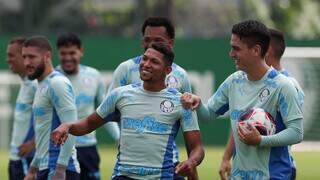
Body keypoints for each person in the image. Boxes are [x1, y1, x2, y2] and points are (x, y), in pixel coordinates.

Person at [51, 42, 204, 180]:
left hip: (161, 176)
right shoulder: (120, 95)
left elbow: (197, 148)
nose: (146, 64)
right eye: (145, 59)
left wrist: (192, 161)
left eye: (154, 61)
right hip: (123, 176)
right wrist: (69, 126)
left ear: (168, 69)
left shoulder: (181, 102)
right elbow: (88, 124)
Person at [181, 20, 303, 179]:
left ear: (256, 50)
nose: (231, 54)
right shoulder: (234, 81)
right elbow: (207, 116)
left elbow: (296, 133)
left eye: (236, 49)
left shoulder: (283, 86)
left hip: (273, 176)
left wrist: (260, 140)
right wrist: (197, 104)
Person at [108, 16, 195, 180]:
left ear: (170, 43)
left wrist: (197, 101)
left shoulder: (181, 75)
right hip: (130, 165)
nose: (151, 45)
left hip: (168, 163)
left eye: (158, 40)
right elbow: (106, 112)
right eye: (147, 40)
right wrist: (119, 137)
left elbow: (193, 124)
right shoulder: (125, 69)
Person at [218, 28, 305, 180]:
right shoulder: (244, 80)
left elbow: (294, 131)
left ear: (266, 50)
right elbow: (244, 123)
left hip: (276, 169)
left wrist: (260, 140)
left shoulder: (289, 86)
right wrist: (226, 157)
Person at [55, 32, 120, 180]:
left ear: (81, 51)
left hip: (88, 148)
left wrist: (119, 138)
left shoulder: (94, 76)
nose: (68, 57)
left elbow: (105, 112)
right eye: (63, 53)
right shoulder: (51, 78)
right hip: (60, 148)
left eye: (72, 52)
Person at [22, 36, 80, 180]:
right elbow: (43, 138)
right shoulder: (41, 85)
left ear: (47, 56)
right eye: (24, 57)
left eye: (31, 57)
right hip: (45, 168)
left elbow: (72, 128)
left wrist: (60, 170)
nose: (26, 62)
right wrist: (32, 170)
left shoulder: (57, 83)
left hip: (59, 169)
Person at [7, 37, 38, 180]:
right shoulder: (26, 83)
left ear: (24, 57)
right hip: (16, 159)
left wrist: (33, 144)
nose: (8, 60)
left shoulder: (36, 85)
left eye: (11, 55)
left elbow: (53, 120)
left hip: (27, 160)